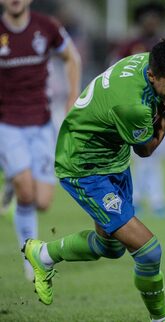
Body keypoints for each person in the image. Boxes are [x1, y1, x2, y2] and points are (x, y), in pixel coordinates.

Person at [21, 37, 165, 322]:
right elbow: (146, 149)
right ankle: (161, 317)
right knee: (148, 250)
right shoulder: (130, 104)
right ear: (152, 75)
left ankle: (42, 254)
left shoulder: (155, 64)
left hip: (113, 160)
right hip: (84, 167)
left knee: (109, 247)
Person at [0, 0, 81, 280]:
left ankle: (12, 180)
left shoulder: (46, 28)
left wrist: (72, 98)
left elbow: (73, 57)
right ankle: (29, 255)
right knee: (26, 191)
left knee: (42, 201)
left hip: (42, 122)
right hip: (7, 123)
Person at [111, 1, 165, 218]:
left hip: (158, 107)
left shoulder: (164, 44)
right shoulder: (130, 45)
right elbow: (116, 72)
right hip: (134, 107)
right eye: (148, 18)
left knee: (152, 155)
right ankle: (150, 199)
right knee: (140, 155)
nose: (151, 21)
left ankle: (149, 199)